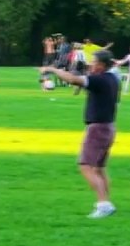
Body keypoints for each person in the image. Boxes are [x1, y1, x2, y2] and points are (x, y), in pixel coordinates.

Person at [41, 50, 121, 219]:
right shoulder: (112, 79)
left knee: (85, 165)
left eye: (94, 62)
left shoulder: (99, 80)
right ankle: (106, 202)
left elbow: (72, 79)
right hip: (109, 127)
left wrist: (52, 69)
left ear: (101, 65)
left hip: (97, 129)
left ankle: (103, 204)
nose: (91, 64)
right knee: (99, 168)